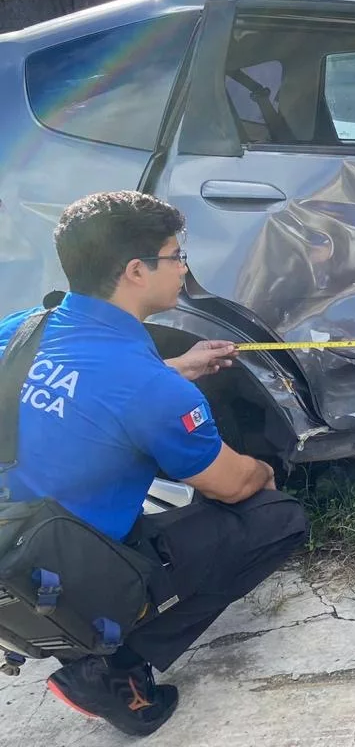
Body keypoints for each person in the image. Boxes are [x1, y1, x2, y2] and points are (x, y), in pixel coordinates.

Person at [0, 191, 308, 737]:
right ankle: (111, 670)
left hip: (11, 533)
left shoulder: (23, 327)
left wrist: (172, 370)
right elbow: (234, 487)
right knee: (277, 518)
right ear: (137, 271)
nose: (184, 267)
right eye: (176, 256)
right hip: (59, 572)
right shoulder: (151, 390)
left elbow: (94, 387)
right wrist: (266, 470)